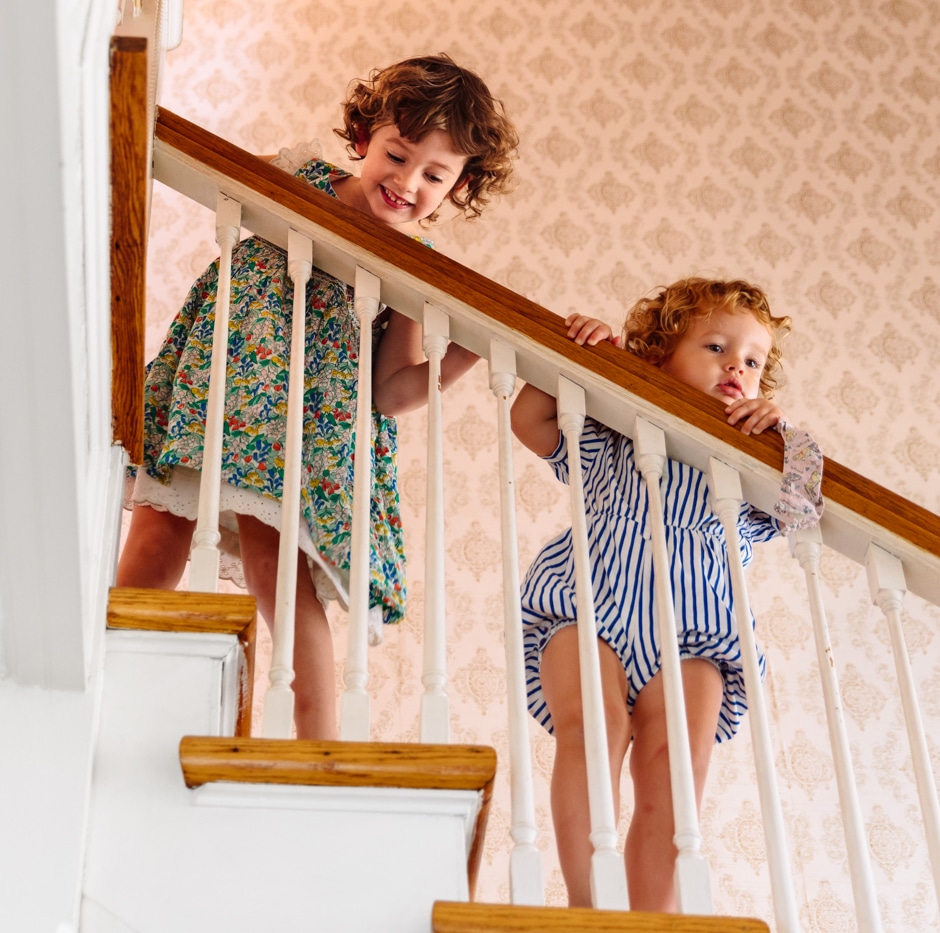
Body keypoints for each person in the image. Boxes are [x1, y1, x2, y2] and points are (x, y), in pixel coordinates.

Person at [118, 54, 518, 740]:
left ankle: (319, 739)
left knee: (281, 566)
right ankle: (110, 674)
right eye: (397, 154)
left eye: (434, 175)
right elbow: (214, 173)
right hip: (221, 387)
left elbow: (390, 390)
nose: (406, 182)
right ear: (364, 136)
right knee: (161, 529)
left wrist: (456, 362)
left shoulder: (416, 268)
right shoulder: (298, 178)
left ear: (458, 187)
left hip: (308, 425)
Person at [510, 277, 810, 911]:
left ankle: (652, 918)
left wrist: (788, 436)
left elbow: (804, 511)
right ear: (659, 356)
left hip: (698, 624)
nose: (737, 366)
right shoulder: (614, 425)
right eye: (717, 347)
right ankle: (590, 907)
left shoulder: (747, 462)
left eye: (753, 362)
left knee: (676, 766)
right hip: (589, 600)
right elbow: (529, 419)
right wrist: (581, 354)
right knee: (593, 728)